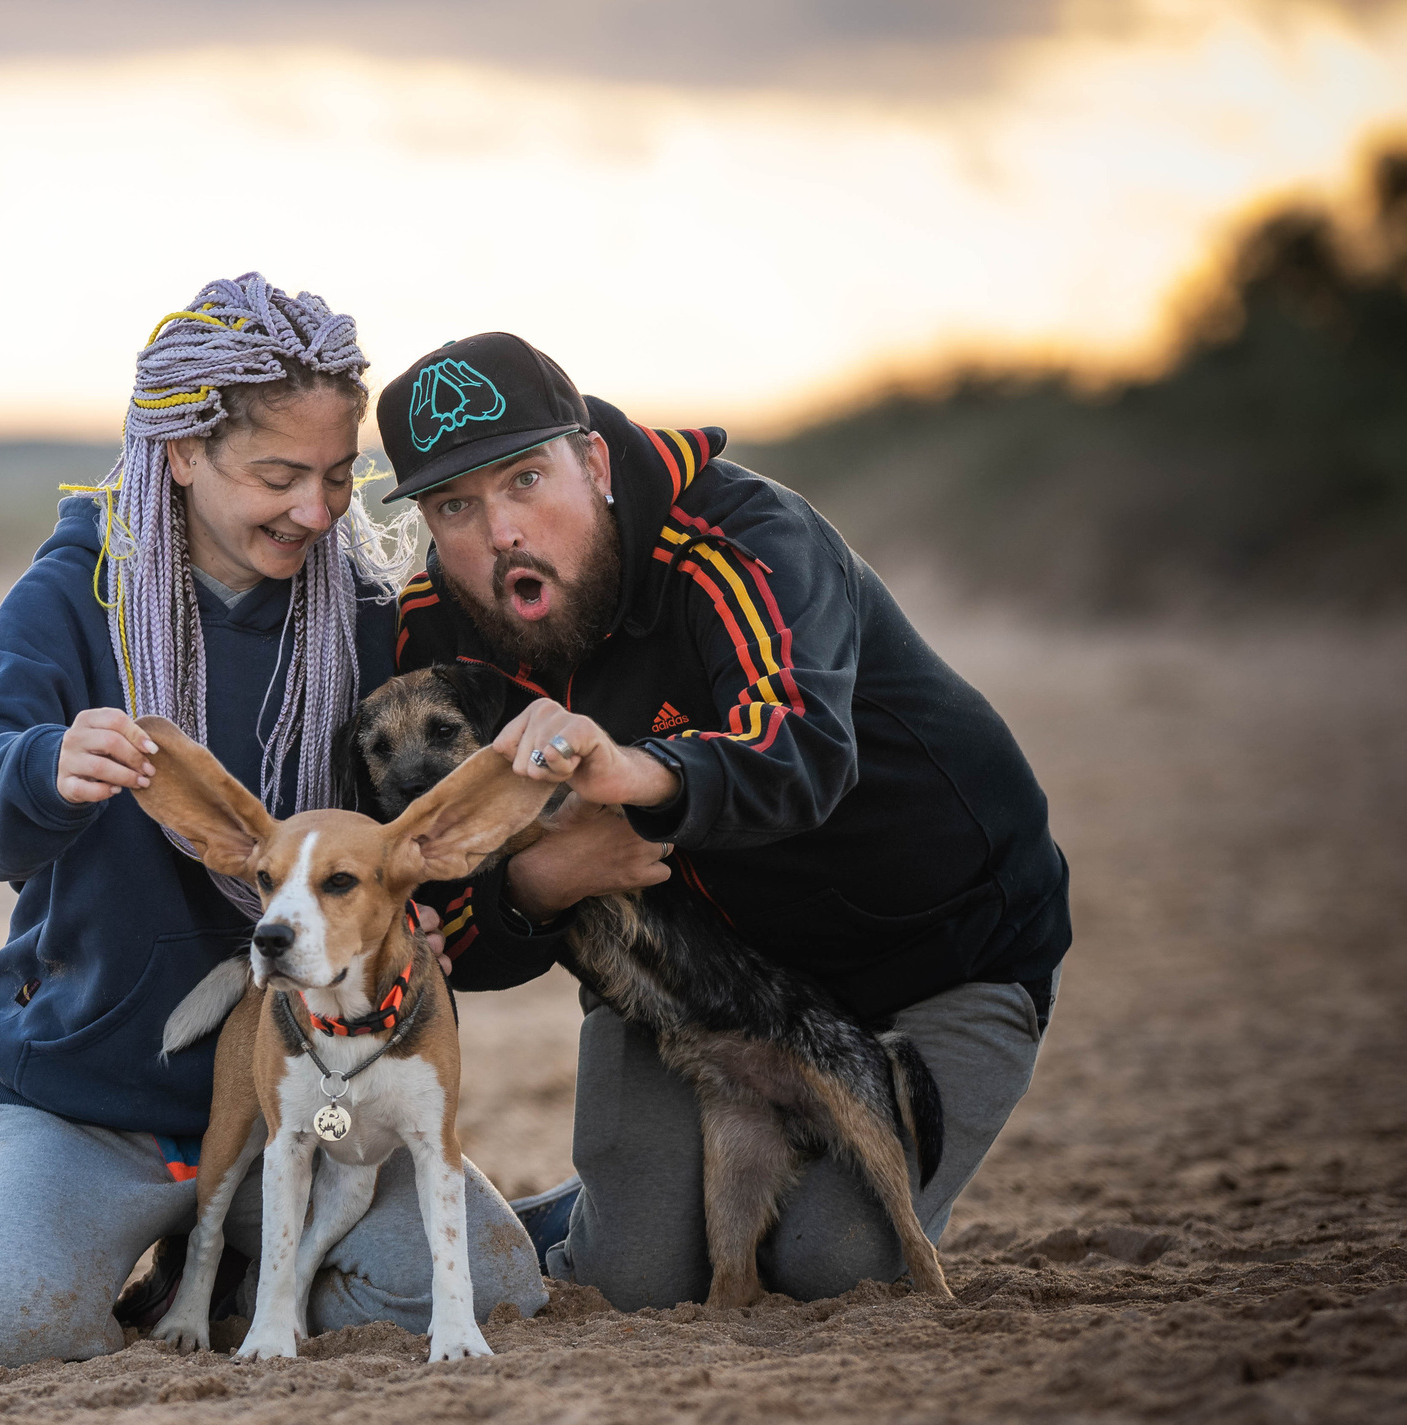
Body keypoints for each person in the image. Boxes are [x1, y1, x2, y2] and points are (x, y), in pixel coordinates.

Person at [0, 277, 548, 1366]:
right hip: (87, 1101)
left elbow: (421, 827)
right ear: (179, 455)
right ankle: (143, 1237)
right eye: (278, 476)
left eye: (338, 476)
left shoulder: (360, 610)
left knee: (488, 1288)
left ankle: (244, 1266)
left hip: (319, 1088)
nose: (316, 512)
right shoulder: (77, 597)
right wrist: (41, 763)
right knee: (1, 1324)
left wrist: (424, 919)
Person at [376, 333, 1071, 1311]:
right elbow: (436, 912)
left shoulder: (740, 541)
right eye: (456, 505)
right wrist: (541, 880)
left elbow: (800, 754)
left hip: (938, 962)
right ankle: (585, 1215)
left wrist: (640, 775)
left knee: (829, 1270)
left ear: (597, 463)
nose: (500, 533)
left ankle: (649, 1195)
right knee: (632, 1281)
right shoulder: (428, 632)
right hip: (690, 991)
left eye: (526, 478)